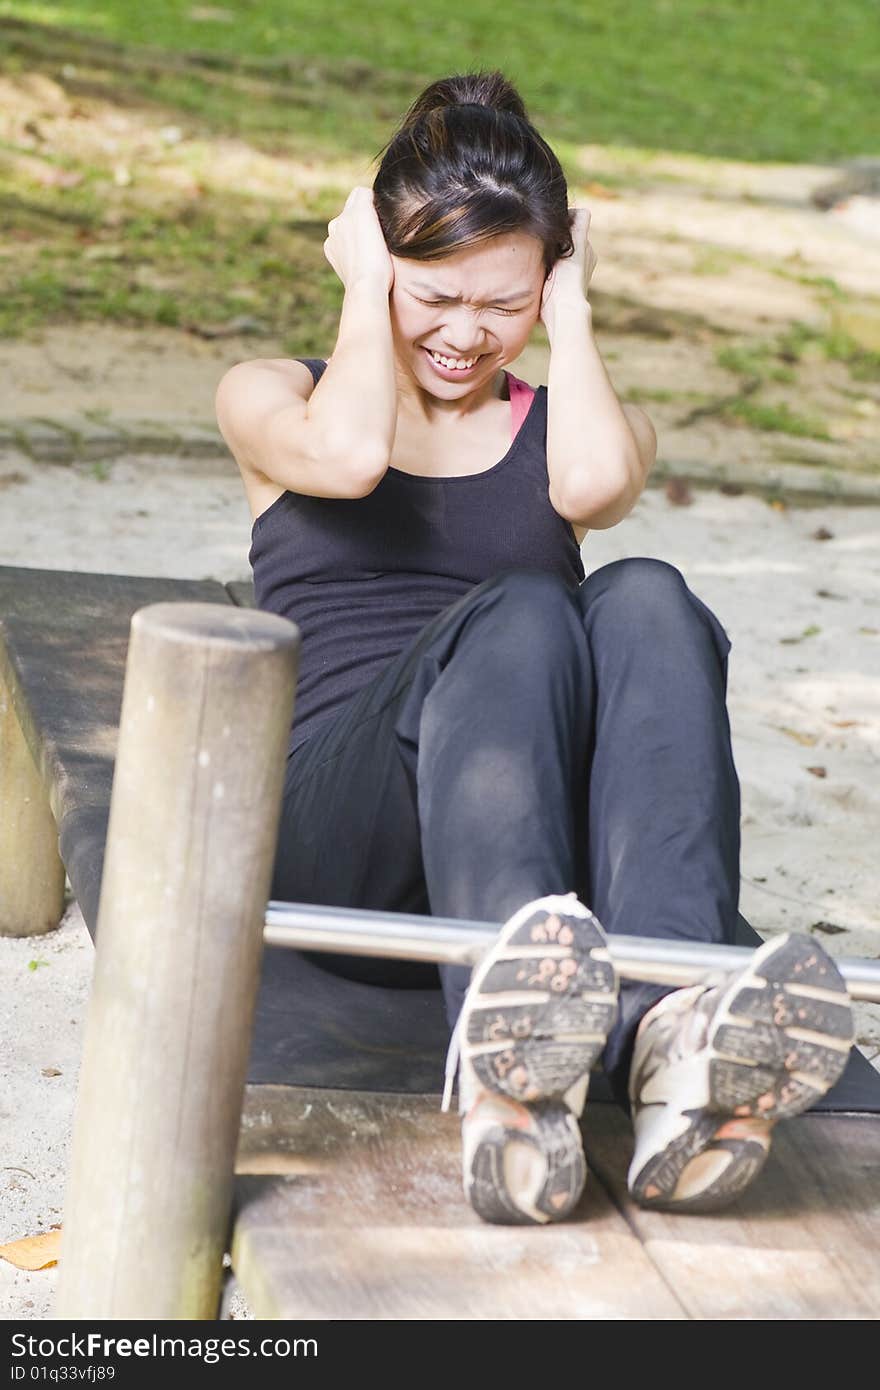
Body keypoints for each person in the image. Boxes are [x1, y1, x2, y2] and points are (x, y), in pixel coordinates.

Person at [215, 69, 854, 1226]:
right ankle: (509, 1064)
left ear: (551, 280)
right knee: (517, 606)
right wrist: (367, 287)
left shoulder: (575, 415)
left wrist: (573, 318)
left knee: (647, 591)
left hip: (545, 869)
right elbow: (352, 458)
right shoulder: (274, 397)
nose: (464, 332)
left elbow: (596, 486)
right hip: (347, 839)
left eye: (502, 301)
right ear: (374, 260)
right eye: (431, 292)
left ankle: (671, 1030)